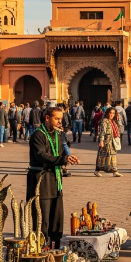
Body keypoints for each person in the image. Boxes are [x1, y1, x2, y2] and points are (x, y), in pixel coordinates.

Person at [28, 107, 80, 249]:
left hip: (55, 179)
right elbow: (41, 155)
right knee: (42, 216)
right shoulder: (38, 135)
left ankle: (55, 247)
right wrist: (63, 160)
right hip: (41, 179)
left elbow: (61, 152)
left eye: (60, 119)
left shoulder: (58, 135)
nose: (59, 122)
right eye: (56, 119)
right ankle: (41, 247)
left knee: (57, 215)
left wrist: (69, 157)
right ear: (47, 118)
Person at [95, 107, 123, 177]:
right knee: (102, 158)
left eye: (113, 113)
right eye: (111, 113)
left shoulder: (113, 121)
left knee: (113, 156)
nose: (112, 115)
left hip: (112, 142)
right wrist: (101, 140)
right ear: (107, 113)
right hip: (106, 142)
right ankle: (97, 170)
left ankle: (115, 171)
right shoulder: (105, 121)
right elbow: (103, 131)